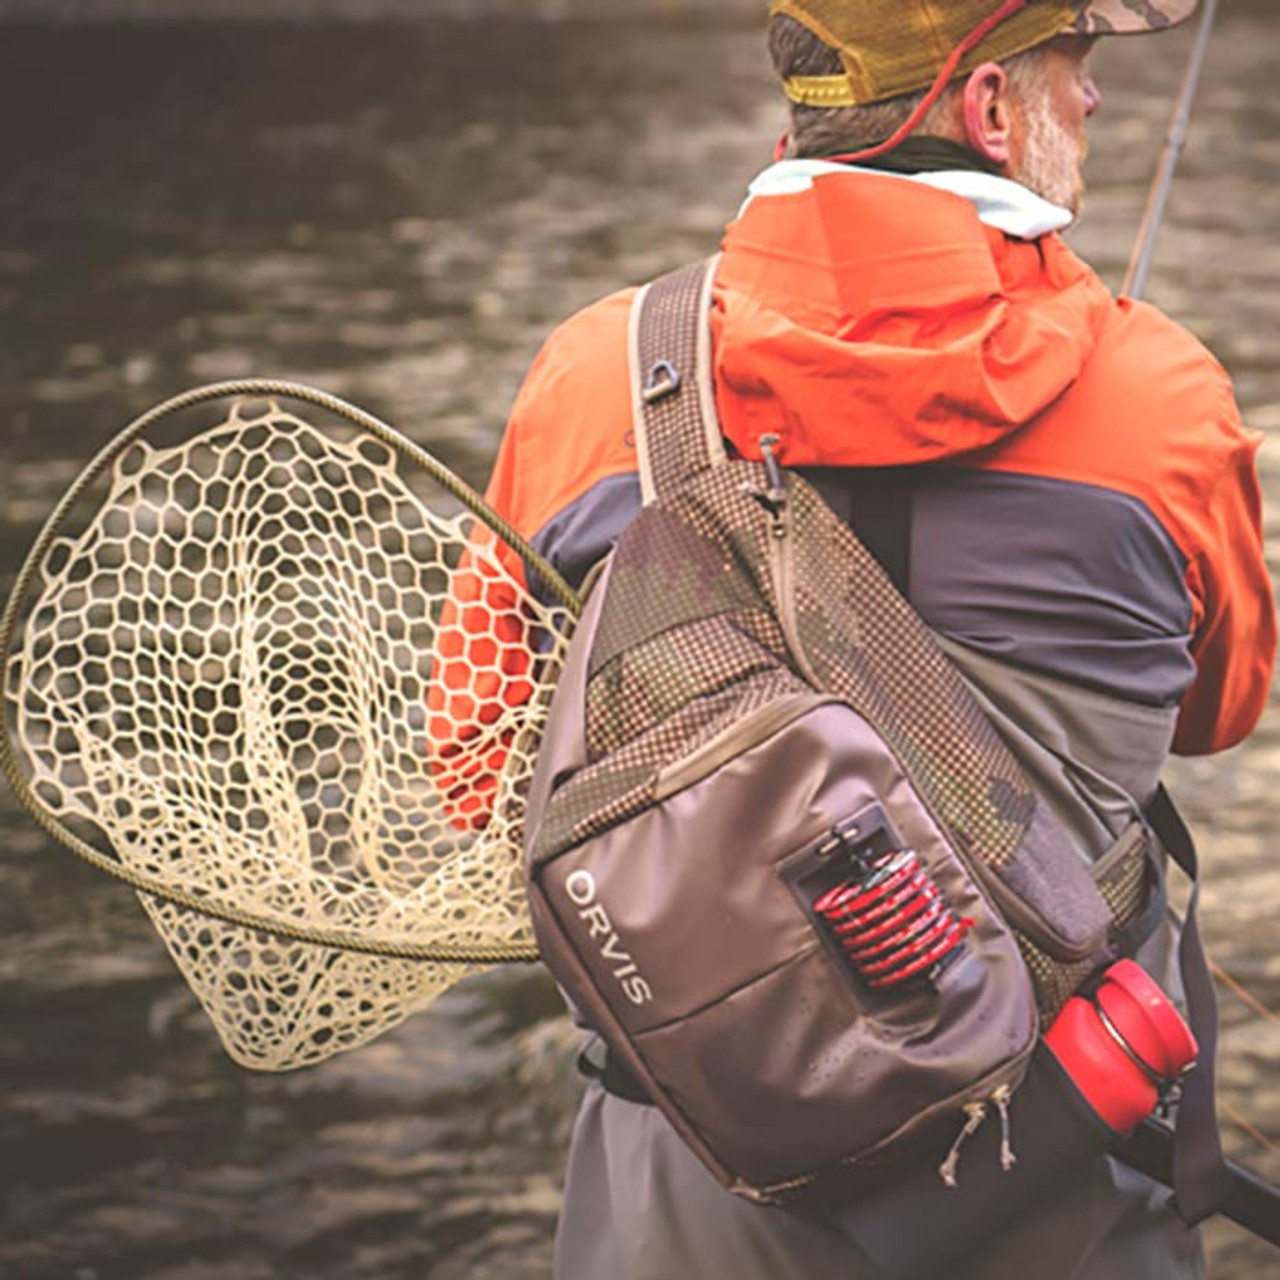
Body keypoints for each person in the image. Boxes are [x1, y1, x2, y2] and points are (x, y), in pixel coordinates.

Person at [468, 1, 1277, 1275]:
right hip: (1053, 1158)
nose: (1094, 102)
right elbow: (1219, 707)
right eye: (1074, 65)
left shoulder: (588, 376)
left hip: (683, 1180)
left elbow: (481, 770)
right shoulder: (1161, 398)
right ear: (990, 110)